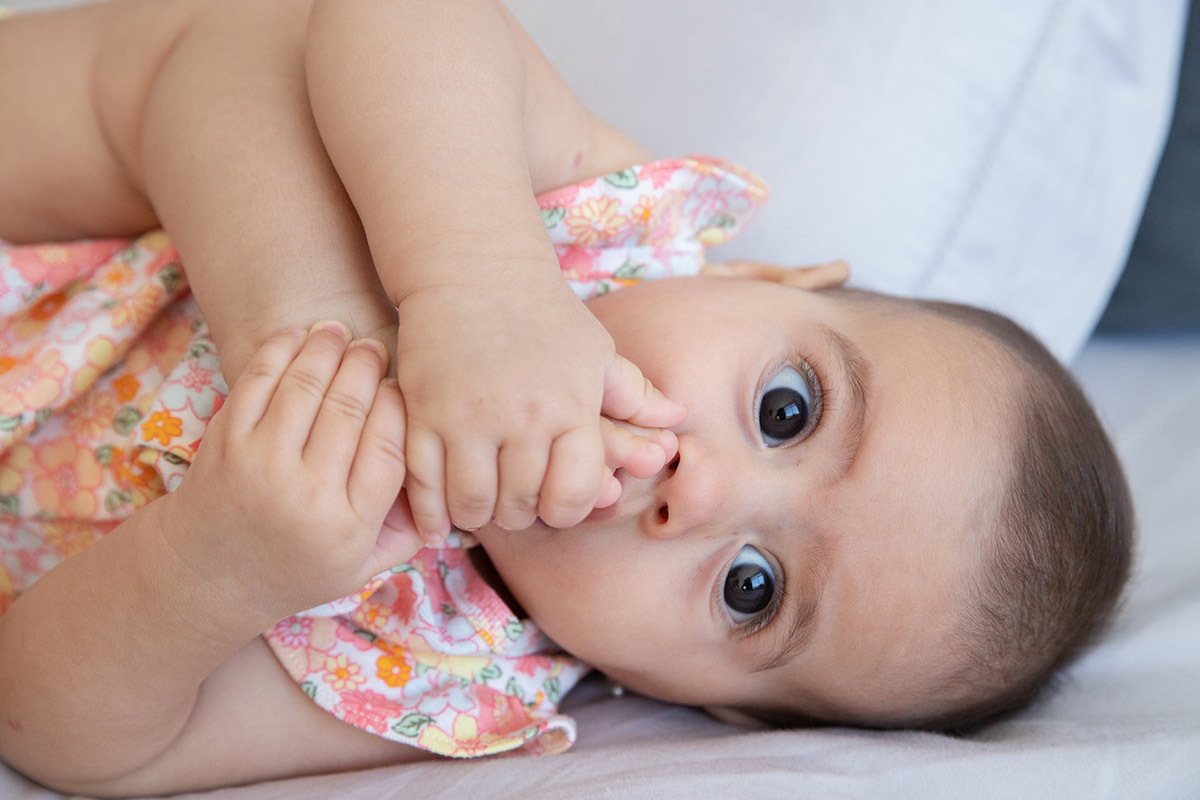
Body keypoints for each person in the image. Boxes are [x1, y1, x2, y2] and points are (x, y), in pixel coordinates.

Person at [0, 0, 1133, 796]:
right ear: (766, 280)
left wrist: (220, 564)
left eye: (752, 588)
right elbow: (380, 17)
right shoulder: (594, 220)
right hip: (52, 195)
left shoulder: (448, 675)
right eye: (787, 409)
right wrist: (473, 282)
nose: (702, 487)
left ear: (701, 703)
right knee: (248, 46)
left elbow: (66, 737)